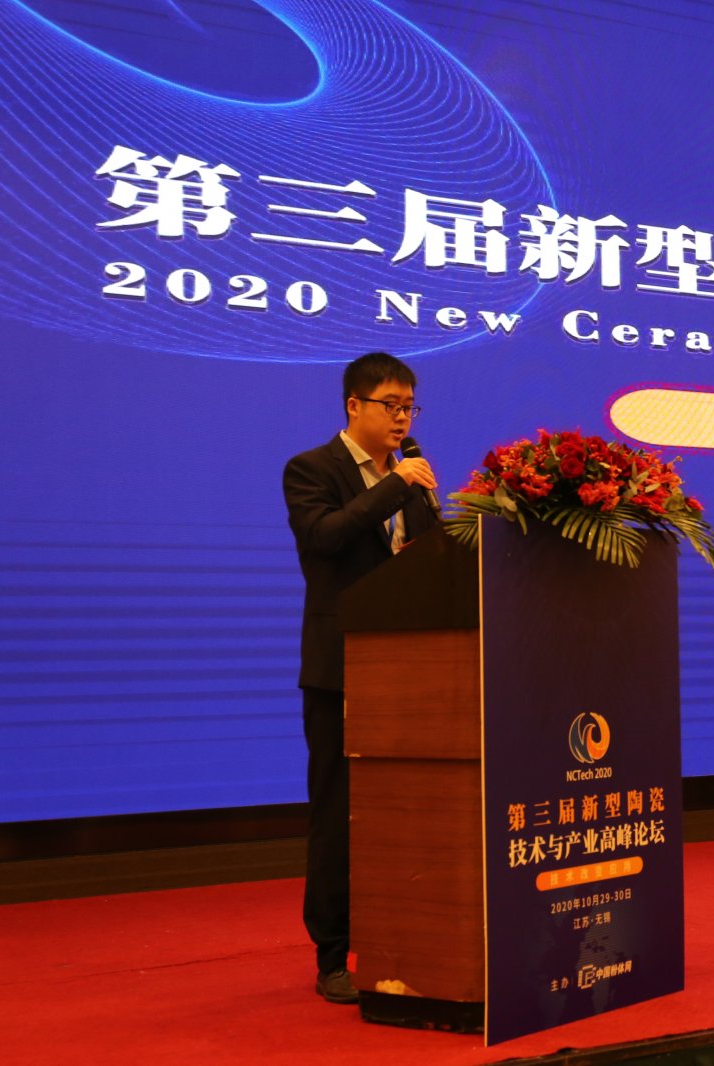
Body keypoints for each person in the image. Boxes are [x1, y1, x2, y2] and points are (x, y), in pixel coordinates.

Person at [282, 352, 439, 1004]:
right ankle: (332, 956)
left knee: (413, 812)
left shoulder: (412, 475)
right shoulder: (312, 469)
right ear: (354, 405)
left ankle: (409, 936)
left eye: (409, 407)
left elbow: (430, 561)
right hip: (341, 670)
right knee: (338, 815)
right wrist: (397, 486)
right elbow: (325, 539)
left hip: (411, 671)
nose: (402, 418)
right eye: (390, 405)